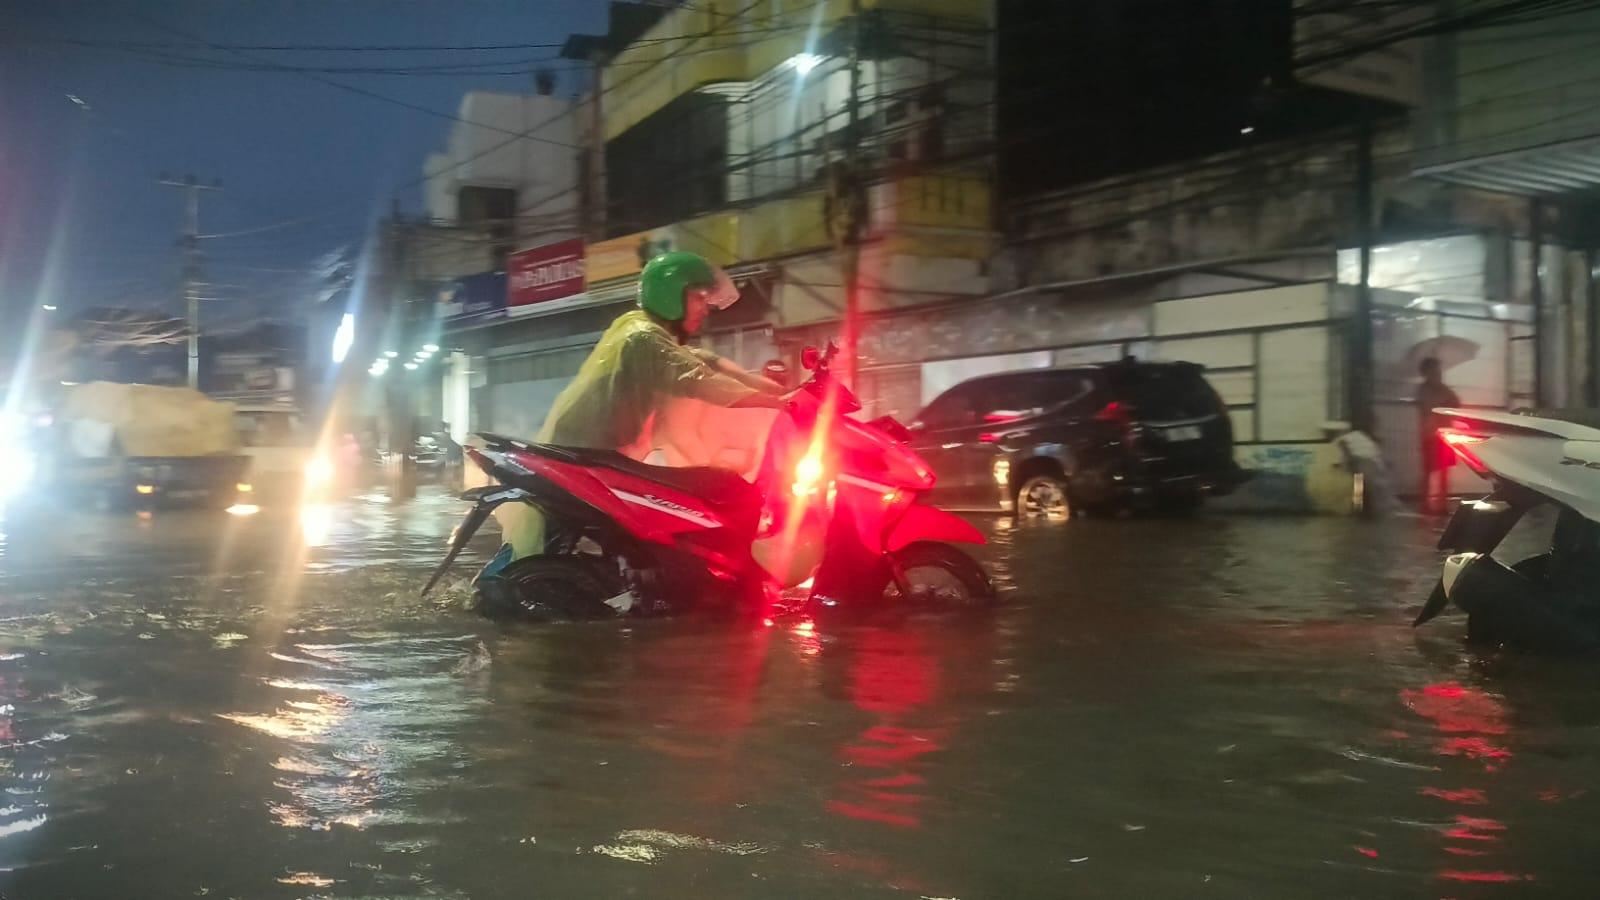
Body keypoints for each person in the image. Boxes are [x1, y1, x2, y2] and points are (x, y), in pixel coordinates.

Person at [488, 251, 792, 567]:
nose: (705, 308)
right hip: (589, 456)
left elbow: (697, 359)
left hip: (596, 455)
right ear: (671, 296)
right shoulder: (642, 337)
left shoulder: (640, 328)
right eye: (698, 298)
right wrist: (779, 402)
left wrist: (753, 380)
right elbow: (698, 380)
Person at [1416, 356, 1460, 515]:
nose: (1438, 373)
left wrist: (1446, 396)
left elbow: (1456, 404)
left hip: (1445, 434)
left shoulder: (1444, 389)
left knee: (1444, 472)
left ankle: (1442, 504)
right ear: (1427, 373)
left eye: (1438, 370)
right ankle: (1424, 504)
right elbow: (1429, 407)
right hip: (1429, 435)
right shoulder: (1424, 390)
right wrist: (1443, 400)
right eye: (1434, 370)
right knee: (1428, 471)